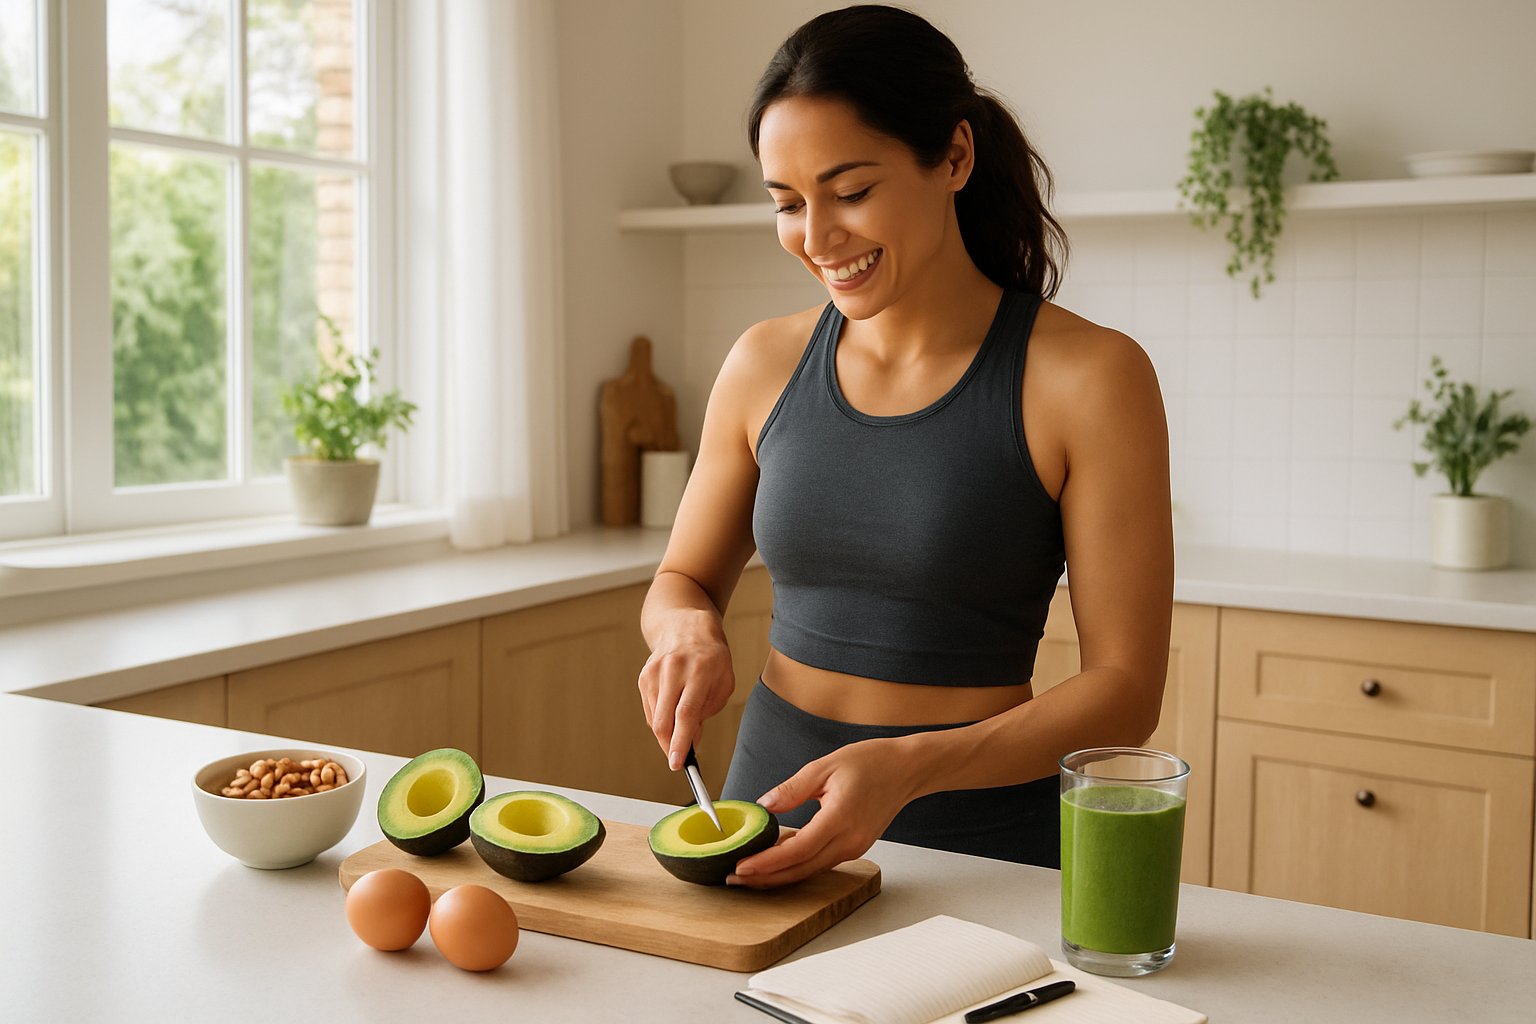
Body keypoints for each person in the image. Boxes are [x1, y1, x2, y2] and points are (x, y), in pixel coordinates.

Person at [637, 4, 1173, 889]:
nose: (816, 238)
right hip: (761, 814)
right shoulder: (761, 362)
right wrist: (687, 632)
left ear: (954, 157)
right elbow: (681, 581)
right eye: (787, 203)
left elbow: (1126, 689)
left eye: (850, 192)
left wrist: (912, 767)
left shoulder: (1090, 376)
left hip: (982, 845)